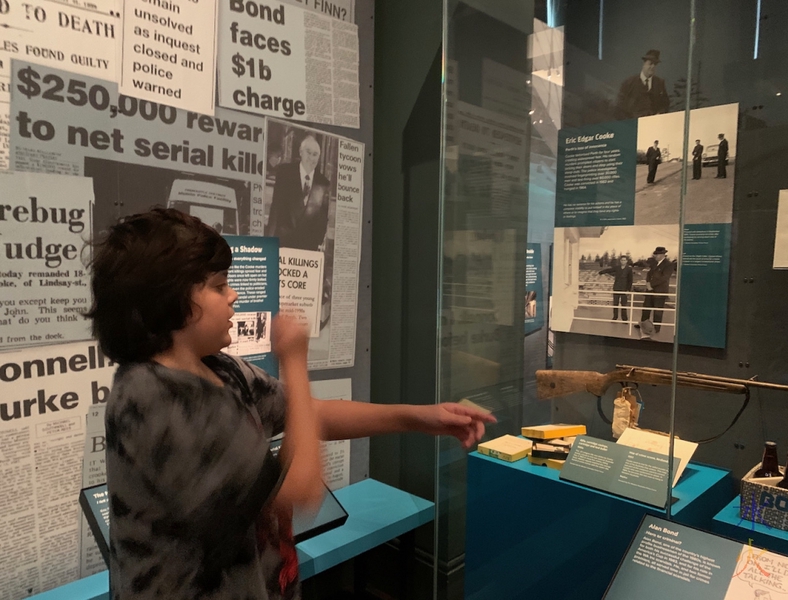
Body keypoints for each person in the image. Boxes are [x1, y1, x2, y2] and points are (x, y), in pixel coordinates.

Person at [88, 208, 496, 600]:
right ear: (171, 299)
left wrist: (421, 418)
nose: (232, 296)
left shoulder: (218, 368)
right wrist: (296, 361)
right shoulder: (149, 398)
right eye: (217, 286)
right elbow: (299, 490)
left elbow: (308, 414)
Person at [266, 134, 330, 251]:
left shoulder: (323, 183)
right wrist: (269, 242)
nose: (311, 158)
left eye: (315, 155)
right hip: (283, 244)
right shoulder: (285, 172)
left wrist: (316, 242)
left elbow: (323, 218)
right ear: (300, 152)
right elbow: (275, 209)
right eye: (308, 152)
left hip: (307, 248)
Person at [615, 49, 670, 120]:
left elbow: (665, 105)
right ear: (644, 64)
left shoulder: (659, 83)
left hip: (654, 124)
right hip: (633, 125)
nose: (652, 67)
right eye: (650, 63)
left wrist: (659, 114)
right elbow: (620, 106)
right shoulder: (629, 83)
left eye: (655, 64)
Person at [635, 246, 674, 336]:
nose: (655, 256)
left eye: (657, 254)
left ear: (662, 255)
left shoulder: (668, 264)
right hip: (650, 291)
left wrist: (651, 285)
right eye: (655, 254)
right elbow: (649, 274)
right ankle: (643, 325)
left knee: (658, 311)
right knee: (646, 309)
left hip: (660, 291)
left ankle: (656, 328)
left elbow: (664, 278)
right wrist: (648, 283)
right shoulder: (654, 264)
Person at [599, 255, 633, 321]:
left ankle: (624, 319)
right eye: (622, 260)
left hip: (624, 289)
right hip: (616, 288)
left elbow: (630, 280)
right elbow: (610, 270)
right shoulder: (617, 268)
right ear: (620, 261)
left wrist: (628, 290)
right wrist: (601, 272)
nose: (623, 261)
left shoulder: (629, 269)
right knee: (615, 304)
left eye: (624, 260)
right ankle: (615, 317)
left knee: (624, 304)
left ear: (626, 261)